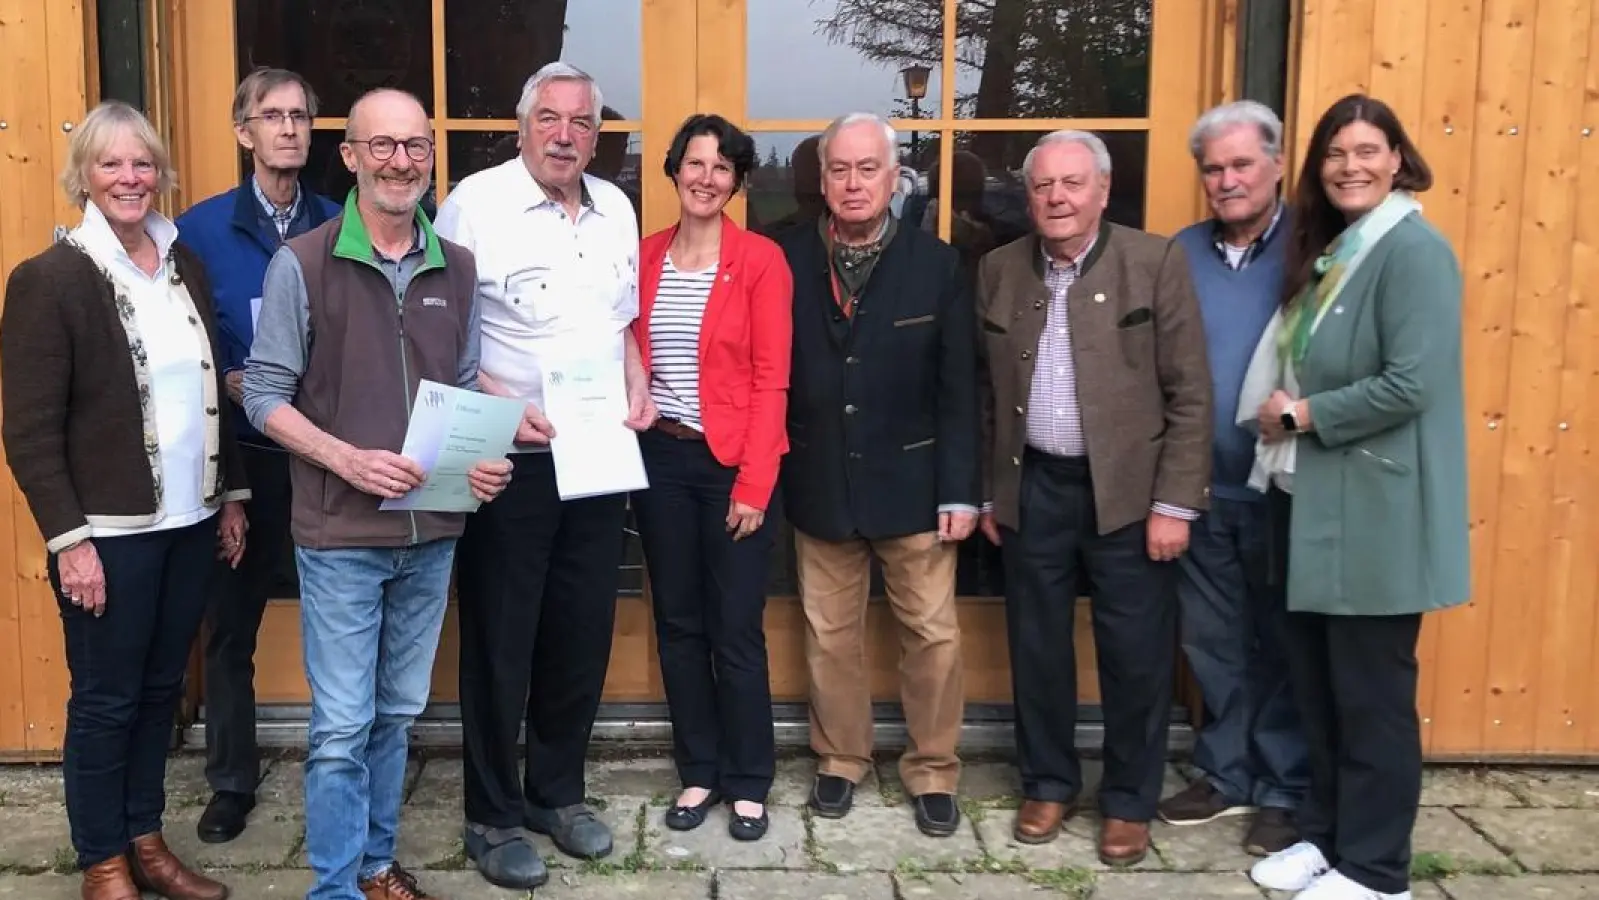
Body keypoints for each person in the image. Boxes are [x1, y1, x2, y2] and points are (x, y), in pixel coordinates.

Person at [243, 87, 511, 900]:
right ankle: (332, 888)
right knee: (339, 729)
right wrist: (345, 460)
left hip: (431, 533)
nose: (402, 161)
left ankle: (374, 864)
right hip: (339, 538)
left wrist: (482, 463)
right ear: (352, 156)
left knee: (396, 714)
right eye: (382, 146)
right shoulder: (304, 263)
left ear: (432, 158)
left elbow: (462, 386)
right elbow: (262, 393)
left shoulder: (456, 268)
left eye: (416, 146)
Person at [0, 99, 248, 900]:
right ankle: (101, 858)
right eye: (111, 164)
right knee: (106, 701)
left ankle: (146, 840)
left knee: (157, 692)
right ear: (85, 176)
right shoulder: (52, 279)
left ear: (160, 172)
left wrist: (232, 494)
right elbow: (30, 428)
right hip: (107, 535)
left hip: (190, 522)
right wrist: (70, 540)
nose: (130, 178)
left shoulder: (183, 265)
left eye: (142, 163)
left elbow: (215, 388)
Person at [432, 61, 653, 890]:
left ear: (597, 135)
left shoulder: (617, 208)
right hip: (510, 458)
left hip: (596, 455)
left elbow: (621, 322)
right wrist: (494, 395)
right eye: (550, 119)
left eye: (582, 122)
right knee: (500, 637)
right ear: (522, 126)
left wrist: (635, 377)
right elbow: (439, 330)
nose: (566, 134)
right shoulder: (474, 204)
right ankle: (490, 814)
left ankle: (556, 793)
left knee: (579, 630)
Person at [1243, 94, 1468, 900]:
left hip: (1373, 509)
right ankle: (1329, 838)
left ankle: (1378, 873)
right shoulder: (1338, 250)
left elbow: (1412, 382)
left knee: (1371, 698)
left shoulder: (1412, 252)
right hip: (1309, 502)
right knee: (1318, 689)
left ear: (1398, 160)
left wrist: (1301, 414)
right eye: (1336, 154)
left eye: (1367, 151)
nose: (1350, 166)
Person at [974, 130, 1212, 866]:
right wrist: (989, 491)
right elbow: (984, 395)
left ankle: (1128, 801)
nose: (1056, 198)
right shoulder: (997, 269)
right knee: (1036, 645)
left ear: (1102, 191)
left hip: (1129, 495)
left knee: (1134, 654)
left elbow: (1191, 393)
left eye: (1072, 184)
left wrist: (1175, 503)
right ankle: (1047, 782)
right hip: (1033, 484)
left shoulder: (1154, 261)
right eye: (1042, 185)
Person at [776, 112, 979, 838]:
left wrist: (960, 488)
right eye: (840, 170)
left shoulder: (938, 265)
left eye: (868, 169)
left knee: (932, 634)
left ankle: (932, 767)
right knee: (829, 634)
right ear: (822, 181)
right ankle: (840, 760)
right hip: (820, 479)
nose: (853, 183)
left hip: (915, 486)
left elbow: (960, 388)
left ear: (895, 179)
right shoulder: (785, 257)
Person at [175, 65, 341, 845]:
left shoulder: (343, 223)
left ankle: (344, 773)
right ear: (243, 132)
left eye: (300, 116)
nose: (288, 129)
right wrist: (240, 381)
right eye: (271, 116)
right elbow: (192, 347)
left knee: (342, 623)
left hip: (326, 455)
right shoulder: (199, 231)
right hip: (244, 459)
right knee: (232, 625)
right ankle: (232, 782)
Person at [631, 113, 793, 842]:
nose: (705, 178)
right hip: (659, 460)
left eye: (720, 168)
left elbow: (771, 381)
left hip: (732, 462)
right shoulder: (641, 257)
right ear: (673, 171)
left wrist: (755, 485)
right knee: (677, 623)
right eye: (694, 164)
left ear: (737, 181)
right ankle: (699, 769)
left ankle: (749, 778)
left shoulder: (759, 261)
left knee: (735, 629)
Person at [1156, 100, 1308, 857]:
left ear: (1277, 164)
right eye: (1212, 169)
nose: (1226, 180)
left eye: (1241, 164)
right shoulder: (1179, 253)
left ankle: (1283, 787)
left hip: (1283, 486)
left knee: (1282, 639)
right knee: (1213, 640)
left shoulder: (1316, 251)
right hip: (1198, 486)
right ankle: (1225, 771)